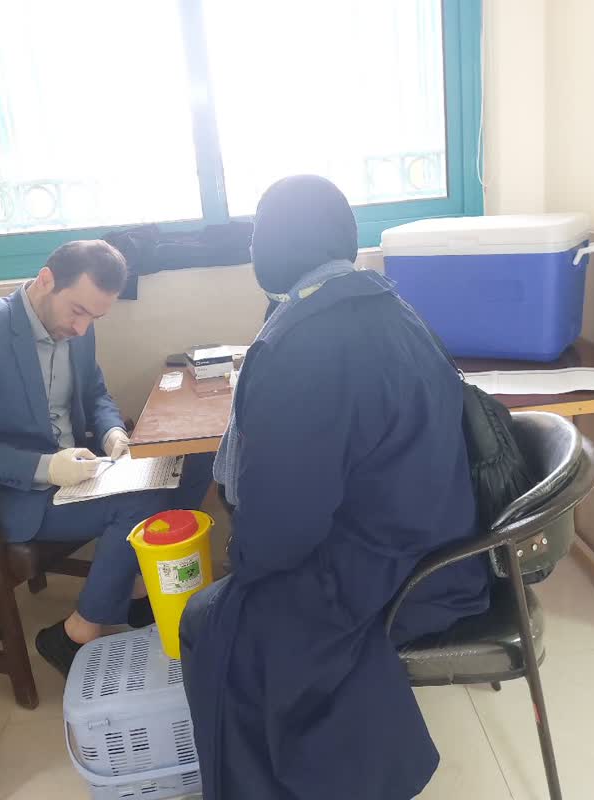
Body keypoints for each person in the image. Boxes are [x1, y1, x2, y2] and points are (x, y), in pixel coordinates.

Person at [180, 176, 491, 800]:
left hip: (404, 574)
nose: (251, 248)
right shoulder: (386, 305)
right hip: (443, 542)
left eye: (256, 234)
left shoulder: (305, 343)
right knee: (237, 611)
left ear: (278, 244)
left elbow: (280, 532)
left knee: (212, 620)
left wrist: (242, 563)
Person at [0, 240, 212, 676]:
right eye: (77, 311)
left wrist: (114, 433)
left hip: (80, 469)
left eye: (94, 318)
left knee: (192, 459)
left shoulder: (79, 329)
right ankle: (74, 633)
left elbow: (95, 394)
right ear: (46, 281)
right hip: (11, 494)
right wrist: (45, 467)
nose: (81, 328)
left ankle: (137, 591)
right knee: (141, 502)